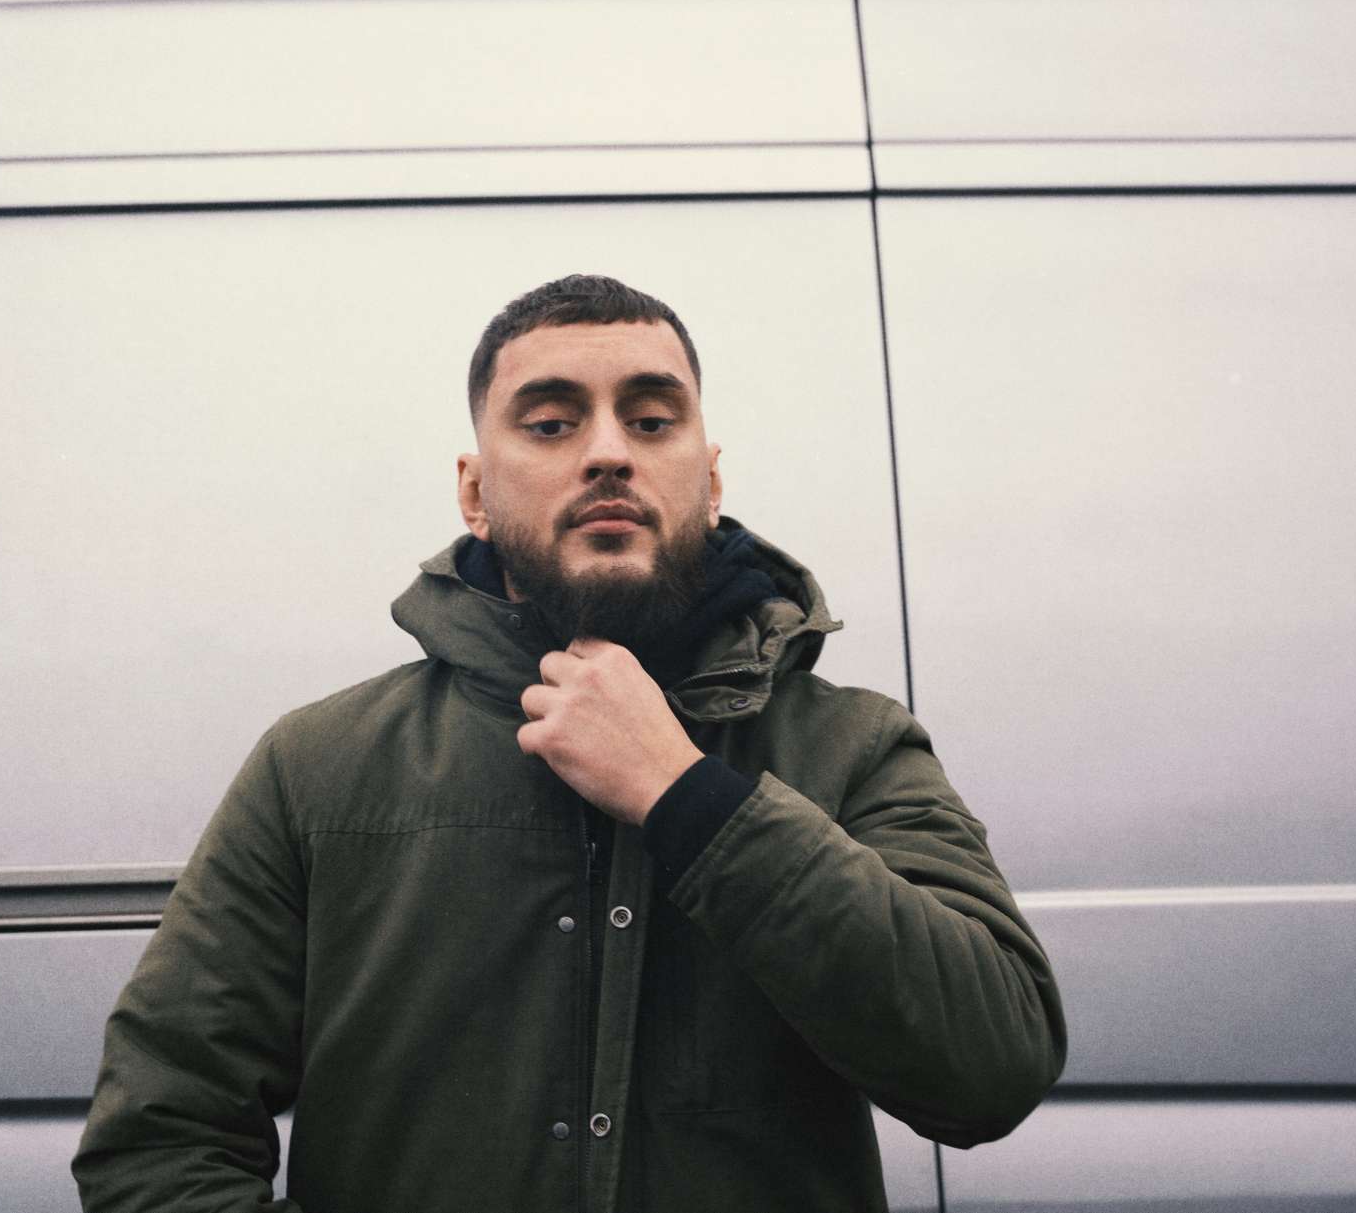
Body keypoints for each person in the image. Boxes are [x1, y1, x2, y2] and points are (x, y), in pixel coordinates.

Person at [72, 274, 1065, 1213]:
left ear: (710, 479)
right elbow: (159, 1137)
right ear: (473, 492)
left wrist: (689, 799)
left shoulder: (851, 745)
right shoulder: (317, 768)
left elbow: (994, 1067)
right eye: (551, 423)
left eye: (651, 420)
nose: (608, 453)